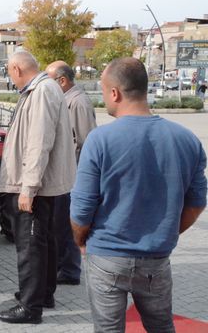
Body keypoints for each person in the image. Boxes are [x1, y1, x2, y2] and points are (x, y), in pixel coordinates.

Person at [71, 57, 207, 333]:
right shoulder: (187, 139)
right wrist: (167, 231)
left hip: (107, 255)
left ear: (114, 93)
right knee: (162, 328)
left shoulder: (99, 140)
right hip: (156, 257)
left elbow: (81, 208)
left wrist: (81, 240)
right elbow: (197, 202)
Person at [0, 50, 76, 324]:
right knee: (44, 241)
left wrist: (28, 188)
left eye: (9, 72)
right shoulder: (44, 89)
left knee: (30, 246)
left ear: (17, 69)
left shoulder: (41, 91)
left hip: (34, 185)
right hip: (43, 184)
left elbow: (38, 142)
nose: (10, 78)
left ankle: (30, 307)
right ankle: (42, 294)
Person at [45, 60, 96, 286]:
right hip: (65, 173)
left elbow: (87, 142)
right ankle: (63, 267)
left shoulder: (78, 103)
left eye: (50, 80)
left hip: (72, 175)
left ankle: (70, 271)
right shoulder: (67, 100)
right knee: (59, 225)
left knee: (66, 226)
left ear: (62, 81)